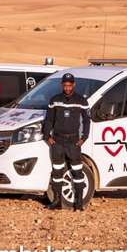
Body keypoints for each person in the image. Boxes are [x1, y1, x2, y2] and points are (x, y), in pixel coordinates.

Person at [42, 73, 90, 210]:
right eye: (65, 85)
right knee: (57, 172)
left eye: (69, 85)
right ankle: (57, 202)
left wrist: (83, 138)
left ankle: (79, 203)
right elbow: (49, 119)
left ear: (73, 85)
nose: (67, 88)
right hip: (57, 141)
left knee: (77, 172)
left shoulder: (81, 101)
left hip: (73, 142)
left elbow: (87, 120)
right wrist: (48, 137)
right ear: (62, 85)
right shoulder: (54, 100)